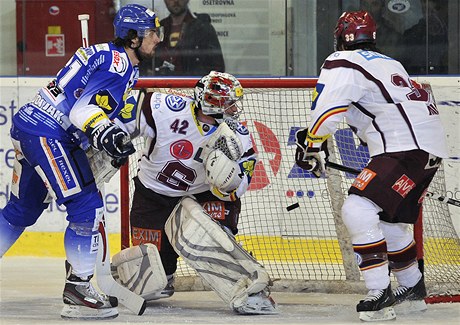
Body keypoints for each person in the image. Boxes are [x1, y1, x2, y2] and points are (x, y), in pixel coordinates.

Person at [0, 4, 162, 320]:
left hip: (31, 125)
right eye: (152, 33)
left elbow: (103, 108)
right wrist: (104, 131)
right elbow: (82, 112)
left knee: (22, 210)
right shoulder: (119, 66)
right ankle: (78, 289)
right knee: (87, 207)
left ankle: (79, 284)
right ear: (133, 37)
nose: (157, 39)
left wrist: (112, 129)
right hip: (49, 133)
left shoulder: (107, 56)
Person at [294, 11, 447, 322]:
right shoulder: (390, 63)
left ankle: (379, 293)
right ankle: (412, 289)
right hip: (428, 149)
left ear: (339, 37)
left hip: (402, 148)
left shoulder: (341, 60)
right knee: (390, 223)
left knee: (358, 209)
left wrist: (311, 143)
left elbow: (327, 110)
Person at [112, 71, 277, 315]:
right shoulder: (165, 108)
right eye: (229, 102)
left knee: (215, 239)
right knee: (156, 280)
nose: (234, 108)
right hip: (153, 195)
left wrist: (228, 181)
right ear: (212, 103)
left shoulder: (237, 135)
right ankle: (164, 272)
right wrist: (108, 136)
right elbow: (123, 120)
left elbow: (239, 186)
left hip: (204, 195)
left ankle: (246, 286)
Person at [140, 0, 225, 75]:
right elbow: (147, 62)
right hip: (162, 87)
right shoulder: (160, 28)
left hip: (192, 87)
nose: (176, 1)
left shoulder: (202, 29)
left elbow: (217, 68)